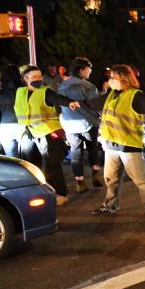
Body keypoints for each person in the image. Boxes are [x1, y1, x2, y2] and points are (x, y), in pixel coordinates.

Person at [78, 65, 145, 217]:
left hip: (128, 146)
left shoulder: (135, 96)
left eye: (113, 78)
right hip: (110, 146)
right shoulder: (111, 95)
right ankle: (110, 205)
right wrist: (72, 102)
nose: (110, 80)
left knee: (142, 180)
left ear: (123, 80)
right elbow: (92, 104)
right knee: (110, 179)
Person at [14, 66, 81, 204]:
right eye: (34, 77)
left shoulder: (45, 91)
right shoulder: (20, 92)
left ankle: (61, 194)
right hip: (27, 133)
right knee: (30, 166)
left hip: (47, 132)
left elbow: (57, 98)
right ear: (25, 79)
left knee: (52, 164)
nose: (38, 79)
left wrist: (69, 102)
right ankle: (36, 194)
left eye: (39, 76)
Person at [59, 57, 104, 192]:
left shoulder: (62, 86)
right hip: (88, 122)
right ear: (82, 70)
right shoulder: (88, 86)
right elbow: (95, 104)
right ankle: (95, 175)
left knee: (76, 152)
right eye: (89, 69)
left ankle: (80, 182)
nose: (90, 72)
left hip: (69, 124)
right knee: (92, 149)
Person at [0, 66, 21, 157]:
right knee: (27, 159)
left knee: (12, 158)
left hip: (6, 128)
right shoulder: (24, 91)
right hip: (24, 126)